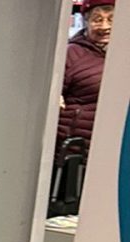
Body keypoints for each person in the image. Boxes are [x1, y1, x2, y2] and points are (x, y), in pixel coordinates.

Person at [58, 0, 114, 153]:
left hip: (113, 148)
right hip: (75, 149)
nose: (105, 26)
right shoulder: (72, 53)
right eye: (97, 19)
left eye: (111, 19)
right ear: (86, 22)